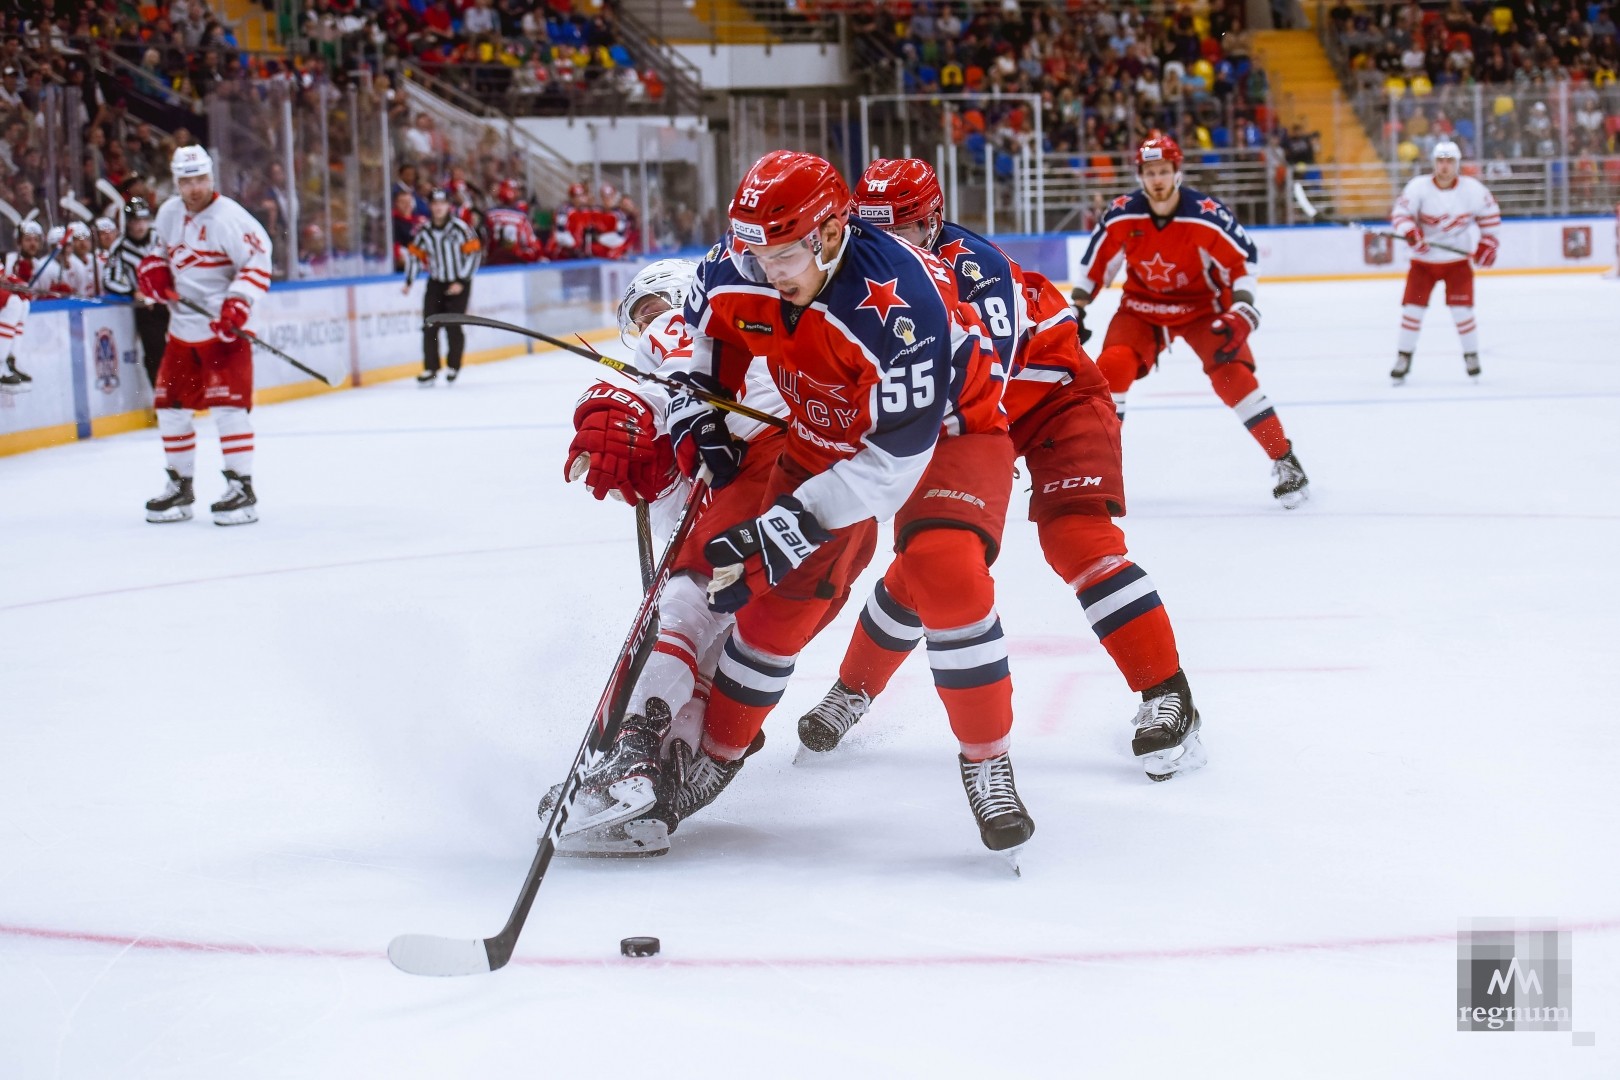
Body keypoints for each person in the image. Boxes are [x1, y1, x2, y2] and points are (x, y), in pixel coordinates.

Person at [663, 151, 1031, 859]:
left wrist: (797, 520)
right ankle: (714, 755)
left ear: (831, 234)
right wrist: (701, 406)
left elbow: (896, 459)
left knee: (944, 571)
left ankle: (988, 762)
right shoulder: (743, 263)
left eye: (782, 253)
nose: (765, 269)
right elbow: (707, 326)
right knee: (774, 606)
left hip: (947, 433)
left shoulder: (903, 305)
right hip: (822, 431)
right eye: (754, 249)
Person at [799, 158, 1204, 782]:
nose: (886, 245)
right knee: (927, 561)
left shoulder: (976, 269)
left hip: (1053, 402)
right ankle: (850, 692)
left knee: (1078, 541)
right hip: (973, 416)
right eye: (871, 229)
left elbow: (982, 382)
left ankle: (1167, 694)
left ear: (933, 218)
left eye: (901, 230)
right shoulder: (854, 271)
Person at [536, 257, 792, 856]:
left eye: (655, 305)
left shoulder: (681, 328)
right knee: (714, 635)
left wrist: (610, 414)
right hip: (772, 486)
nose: (653, 321)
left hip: (745, 477)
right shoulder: (732, 323)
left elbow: (662, 384)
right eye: (642, 315)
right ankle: (664, 773)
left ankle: (632, 752)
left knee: (682, 606)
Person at [1073, 135, 1309, 509]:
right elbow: (1096, 265)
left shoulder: (1206, 213)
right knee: (1111, 368)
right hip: (1142, 306)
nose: (1158, 179)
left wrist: (1242, 307)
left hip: (1204, 307)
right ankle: (1100, 475)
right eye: (1150, 172)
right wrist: (1078, 306)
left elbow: (1242, 262)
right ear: (1140, 176)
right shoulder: (1122, 213)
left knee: (1234, 378)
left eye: (1164, 170)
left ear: (1177, 172)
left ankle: (1285, 460)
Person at [136, 144, 274, 526]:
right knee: (171, 411)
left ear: (211, 177)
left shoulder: (232, 219)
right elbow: (157, 253)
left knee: (229, 411)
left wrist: (237, 304)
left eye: (200, 179)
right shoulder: (168, 213)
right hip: (182, 330)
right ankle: (180, 487)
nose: (194, 188)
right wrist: (154, 272)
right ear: (177, 182)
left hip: (224, 332)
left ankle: (242, 488)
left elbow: (258, 264)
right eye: (186, 180)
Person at [1389, 140, 1501, 383]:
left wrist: (1488, 243)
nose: (1445, 166)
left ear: (1457, 163)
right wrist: (1411, 233)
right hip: (1423, 264)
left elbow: (1490, 219)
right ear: (1434, 163)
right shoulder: (1418, 187)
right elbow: (1401, 214)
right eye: (1440, 161)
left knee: (1462, 312)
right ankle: (1403, 357)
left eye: (1450, 161)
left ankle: (1471, 356)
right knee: (1412, 311)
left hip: (1457, 263)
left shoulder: (1473, 190)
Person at [402, 187, 482, 386]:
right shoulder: (425, 231)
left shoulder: (461, 228)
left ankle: (453, 365)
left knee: (453, 326)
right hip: (436, 283)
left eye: (442, 204)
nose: (438, 208)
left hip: (458, 283)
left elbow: (474, 255)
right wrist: (409, 281)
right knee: (430, 325)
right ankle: (431, 368)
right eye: (435, 204)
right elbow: (415, 256)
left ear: (448, 206)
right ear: (430, 206)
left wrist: (462, 281)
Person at [102, 198, 170, 389]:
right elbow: (109, 280)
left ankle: (185, 396)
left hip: (171, 303)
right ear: (127, 223)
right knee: (155, 353)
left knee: (181, 348)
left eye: (143, 220)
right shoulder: (120, 248)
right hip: (146, 309)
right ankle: (162, 398)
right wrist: (133, 292)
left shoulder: (161, 238)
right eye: (134, 221)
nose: (140, 226)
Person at [0, 220, 72, 393]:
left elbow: (3, 277)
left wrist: (14, 282)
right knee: (13, 304)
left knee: (23, 304)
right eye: (27, 239)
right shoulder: (11, 258)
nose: (32, 244)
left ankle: (10, 360)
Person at [483, 178, 543, 265]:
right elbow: (534, 247)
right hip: (515, 265)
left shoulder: (489, 215)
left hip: (492, 266)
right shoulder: (521, 217)